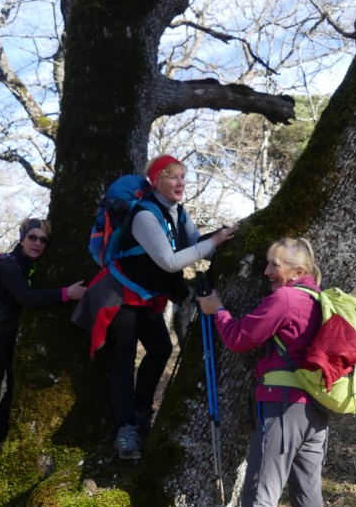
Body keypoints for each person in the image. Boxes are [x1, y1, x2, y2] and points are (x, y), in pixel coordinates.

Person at [197, 237, 329, 507]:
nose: (267, 272)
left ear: (295, 269)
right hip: (315, 413)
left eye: (274, 265)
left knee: (258, 505)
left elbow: (238, 338)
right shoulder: (319, 301)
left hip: (281, 410)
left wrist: (215, 309)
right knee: (309, 500)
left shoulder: (286, 300)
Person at [73, 155, 238, 460]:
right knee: (122, 360)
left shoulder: (178, 213)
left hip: (147, 296)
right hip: (120, 294)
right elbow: (170, 261)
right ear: (156, 180)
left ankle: (140, 412)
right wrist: (215, 241)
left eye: (184, 177)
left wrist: (228, 240)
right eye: (173, 176)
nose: (181, 183)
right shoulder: (144, 215)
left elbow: (193, 246)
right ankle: (125, 430)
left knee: (161, 348)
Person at [0, 218, 86, 464]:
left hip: (16, 337)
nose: (38, 243)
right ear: (21, 238)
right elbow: (27, 297)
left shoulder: (35, 266)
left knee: (16, 387)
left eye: (43, 240)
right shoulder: (7, 264)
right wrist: (67, 293)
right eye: (32, 237)